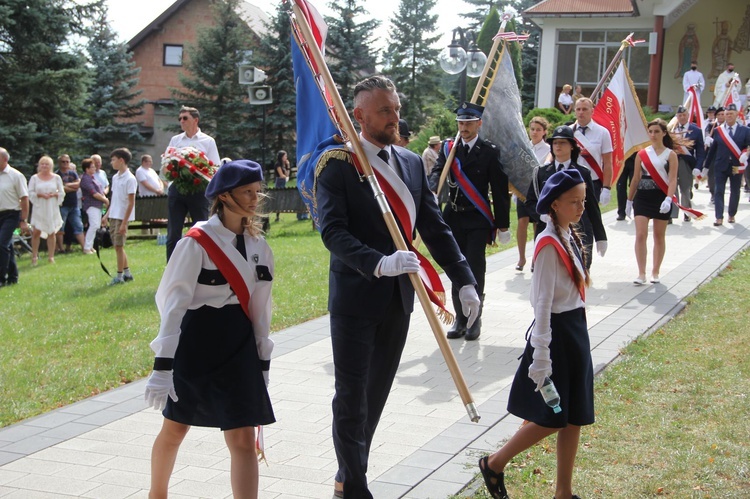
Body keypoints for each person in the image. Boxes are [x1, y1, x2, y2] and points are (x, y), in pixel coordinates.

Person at [315, 75, 479, 498]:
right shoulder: (338, 164)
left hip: (400, 299)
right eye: (385, 110)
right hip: (355, 296)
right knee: (351, 395)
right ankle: (355, 487)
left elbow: (435, 227)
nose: (395, 116)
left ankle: (348, 473)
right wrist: (379, 262)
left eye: (397, 108)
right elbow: (332, 232)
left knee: (376, 392)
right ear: (360, 115)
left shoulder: (409, 163)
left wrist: (463, 279)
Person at [145, 159, 274, 499]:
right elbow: (173, 305)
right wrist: (163, 365)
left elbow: (261, 310)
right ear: (225, 196)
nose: (254, 198)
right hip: (197, 341)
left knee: (243, 438)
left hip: (239, 342)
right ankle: (156, 494)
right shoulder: (197, 242)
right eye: (246, 191)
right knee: (175, 429)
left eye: (256, 191)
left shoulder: (260, 247)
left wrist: (263, 362)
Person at [478, 169, 594, 499]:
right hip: (555, 336)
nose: (581, 208)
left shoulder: (568, 234)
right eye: (574, 202)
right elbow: (542, 304)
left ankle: (564, 493)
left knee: (573, 418)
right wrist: (541, 356)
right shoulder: (546, 244)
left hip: (575, 332)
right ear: (555, 204)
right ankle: (495, 463)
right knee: (552, 416)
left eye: (583, 200)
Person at [429, 101, 510, 341]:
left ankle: (475, 319)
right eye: (460, 123)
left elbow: (499, 187)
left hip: (477, 219)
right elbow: (437, 171)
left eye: (468, 122)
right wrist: (433, 189)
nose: (463, 127)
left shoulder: (489, 151)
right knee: (455, 267)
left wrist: (503, 224)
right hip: (453, 217)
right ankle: (460, 319)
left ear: (479, 123)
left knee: (474, 269)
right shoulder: (449, 149)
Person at [525, 126, 607, 270]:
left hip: (578, 230)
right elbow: (531, 201)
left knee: (578, 273)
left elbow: (592, 205)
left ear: (571, 146)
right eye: (555, 143)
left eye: (562, 142)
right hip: (549, 230)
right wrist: (542, 215)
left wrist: (600, 236)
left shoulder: (582, 172)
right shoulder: (541, 172)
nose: (558, 146)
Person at [626, 119, 679, 284]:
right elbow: (635, 178)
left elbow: (672, 180)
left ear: (664, 133)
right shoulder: (642, 154)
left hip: (661, 196)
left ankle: (655, 272)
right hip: (642, 197)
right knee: (641, 234)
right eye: (651, 131)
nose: (653, 135)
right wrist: (628, 200)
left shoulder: (671, 154)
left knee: (658, 235)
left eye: (657, 131)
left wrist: (669, 198)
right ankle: (641, 273)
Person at [165, 106, 220, 262]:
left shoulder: (208, 141)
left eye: (185, 118)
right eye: (180, 118)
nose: (181, 121)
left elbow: (214, 167)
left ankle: (204, 266)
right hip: (178, 190)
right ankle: (172, 270)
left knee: (202, 231)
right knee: (173, 234)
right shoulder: (176, 140)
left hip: (199, 191)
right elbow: (167, 162)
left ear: (195, 120)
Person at [704, 103, 750, 225]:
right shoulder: (719, 131)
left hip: (736, 166)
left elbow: (749, 146)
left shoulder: (745, 131)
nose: (728, 116)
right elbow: (713, 150)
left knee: (735, 191)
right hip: (721, 165)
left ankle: (731, 214)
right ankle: (719, 217)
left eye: (731, 114)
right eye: (727, 114)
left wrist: (746, 154)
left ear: (736, 115)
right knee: (719, 190)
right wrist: (706, 166)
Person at [516, 116, 551, 271]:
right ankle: (521, 257)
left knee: (538, 224)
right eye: (532, 129)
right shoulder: (524, 147)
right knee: (522, 222)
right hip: (523, 191)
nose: (535, 132)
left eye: (538, 129)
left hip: (538, 192)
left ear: (544, 132)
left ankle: (535, 258)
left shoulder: (549, 150)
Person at [102, 148, 136, 285]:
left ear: (121, 161)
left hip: (122, 217)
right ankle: (127, 273)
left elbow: (131, 202)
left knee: (118, 246)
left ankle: (120, 276)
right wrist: (106, 215)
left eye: (114, 160)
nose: (112, 162)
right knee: (118, 246)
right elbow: (115, 199)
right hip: (114, 215)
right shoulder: (115, 177)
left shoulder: (130, 179)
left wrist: (124, 223)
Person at [572, 97, 614, 205]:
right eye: (578, 109)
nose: (581, 112)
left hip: (593, 183)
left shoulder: (602, 132)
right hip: (571, 182)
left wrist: (606, 188)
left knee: (590, 220)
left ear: (592, 111)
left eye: (585, 109)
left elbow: (608, 163)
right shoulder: (568, 131)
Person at [0, 147, 30, 287]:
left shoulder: (16, 175)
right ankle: (13, 277)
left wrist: (23, 220)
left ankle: (1, 278)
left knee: (1, 244)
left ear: (4, 159)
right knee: (7, 246)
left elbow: (24, 198)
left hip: (11, 214)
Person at [28, 156, 64, 265]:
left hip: (52, 207)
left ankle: (51, 256)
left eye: (47, 164)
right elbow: (30, 193)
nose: (44, 166)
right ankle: (34, 256)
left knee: (51, 232)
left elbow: (62, 193)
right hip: (39, 207)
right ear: (39, 166)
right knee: (36, 232)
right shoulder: (34, 178)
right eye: (42, 164)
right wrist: (40, 194)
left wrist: (54, 194)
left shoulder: (57, 178)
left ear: (51, 166)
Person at [672, 106, 705, 221]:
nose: (682, 117)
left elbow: (700, 152)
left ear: (688, 115)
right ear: (677, 116)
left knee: (685, 189)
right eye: (679, 115)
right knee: (672, 188)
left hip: (686, 163)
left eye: (684, 115)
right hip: (672, 162)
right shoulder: (672, 129)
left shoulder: (696, 130)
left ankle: (687, 212)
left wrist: (698, 166)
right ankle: (672, 214)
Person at [55, 153, 85, 254]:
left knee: (78, 225)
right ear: (59, 163)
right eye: (63, 162)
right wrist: (70, 187)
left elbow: (78, 184)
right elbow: (59, 189)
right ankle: (61, 249)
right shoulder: (56, 175)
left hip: (74, 204)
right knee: (60, 227)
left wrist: (67, 185)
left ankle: (84, 247)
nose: (65, 163)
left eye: (67, 161)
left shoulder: (73, 173)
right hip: (62, 204)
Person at [80, 158, 109, 255]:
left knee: (96, 225)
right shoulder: (85, 179)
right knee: (94, 225)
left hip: (98, 205)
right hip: (91, 204)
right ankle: (87, 247)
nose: (94, 168)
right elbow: (94, 193)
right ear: (87, 169)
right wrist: (105, 200)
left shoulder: (92, 177)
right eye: (92, 167)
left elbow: (100, 190)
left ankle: (90, 246)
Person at [616, 152, 636, 220]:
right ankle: (621, 212)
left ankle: (636, 210)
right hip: (620, 162)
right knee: (620, 187)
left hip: (634, 160)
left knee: (634, 187)